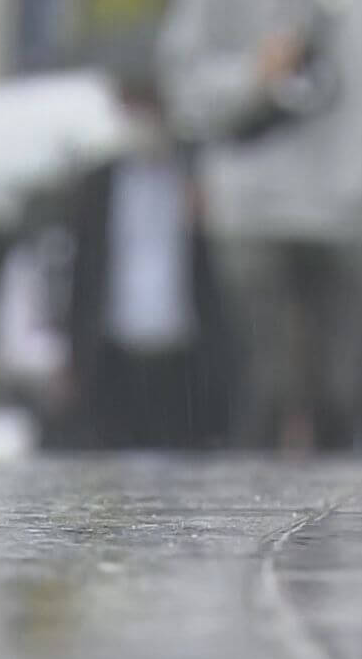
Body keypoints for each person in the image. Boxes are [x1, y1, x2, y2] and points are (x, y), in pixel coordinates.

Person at [160, 0, 362, 452]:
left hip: (351, 203)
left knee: (341, 391)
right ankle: (253, 519)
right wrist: (252, 75)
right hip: (248, 203)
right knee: (263, 384)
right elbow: (185, 87)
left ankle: (330, 521)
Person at [59, 66, 233, 450]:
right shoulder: (99, 182)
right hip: (114, 348)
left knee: (179, 459)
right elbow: (82, 269)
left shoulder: (198, 174)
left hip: (183, 350)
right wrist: (72, 351)